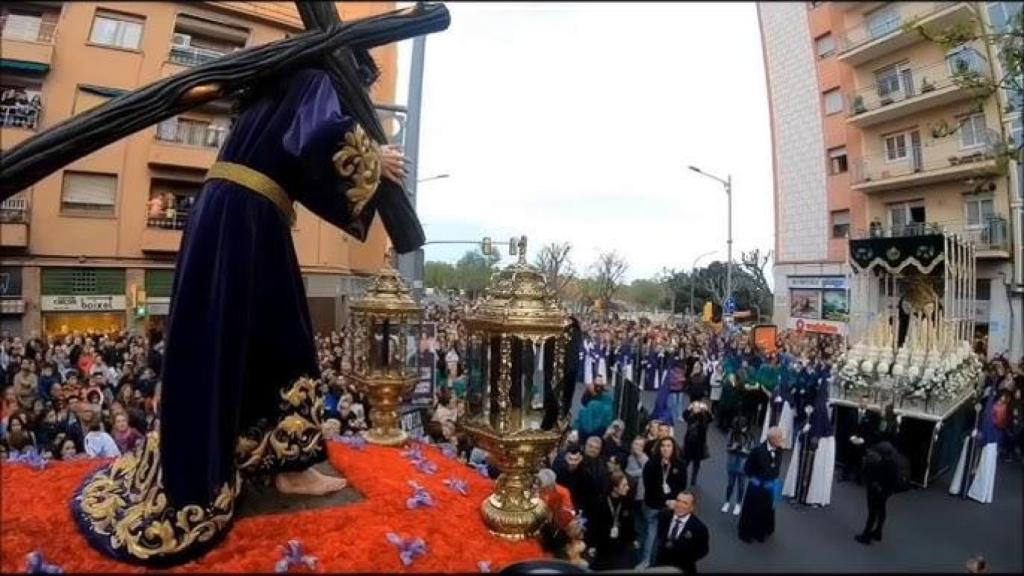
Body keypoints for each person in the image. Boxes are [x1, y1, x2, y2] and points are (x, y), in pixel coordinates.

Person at [70, 62, 419, 566]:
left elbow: (292, 150)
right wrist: (372, 158)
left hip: (223, 212)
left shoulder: (270, 91)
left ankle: (254, 455)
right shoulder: (317, 77)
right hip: (250, 217)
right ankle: (291, 468)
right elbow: (317, 138)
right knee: (288, 339)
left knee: (233, 339)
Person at [639, 436, 687, 568]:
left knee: (667, 537)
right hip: (653, 505)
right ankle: (645, 561)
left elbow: (681, 486)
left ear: (673, 448)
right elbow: (650, 487)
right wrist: (666, 501)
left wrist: (673, 500)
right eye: (663, 446)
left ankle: (661, 563)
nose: (666, 449)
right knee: (650, 534)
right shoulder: (651, 464)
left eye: (669, 446)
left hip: (671, 507)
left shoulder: (680, 465)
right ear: (659, 448)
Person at [738, 426, 785, 544]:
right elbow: (747, 468)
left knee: (766, 510)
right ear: (772, 439)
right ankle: (747, 534)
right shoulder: (757, 451)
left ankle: (760, 532)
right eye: (779, 437)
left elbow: (776, 466)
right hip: (757, 486)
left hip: (770, 485)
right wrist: (755, 480)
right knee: (752, 510)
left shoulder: (779, 450)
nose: (781, 439)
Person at [589, 471, 639, 570]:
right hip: (604, 547)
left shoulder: (627, 501)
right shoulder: (600, 502)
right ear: (615, 488)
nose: (628, 488)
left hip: (622, 546)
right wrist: (592, 544)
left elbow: (630, 524)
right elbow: (594, 525)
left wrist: (633, 539)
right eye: (624, 485)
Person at [653, 491, 709, 576]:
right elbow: (660, 535)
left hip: (683, 568)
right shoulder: (664, 515)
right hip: (661, 564)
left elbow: (703, 551)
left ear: (692, 508)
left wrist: (685, 557)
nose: (680, 505)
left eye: (685, 503)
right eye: (678, 501)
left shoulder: (699, 528)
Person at [855, 440, 900, 545]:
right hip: (886, 490)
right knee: (881, 509)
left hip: (875, 489)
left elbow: (867, 474)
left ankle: (866, 536)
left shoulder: (876, 463)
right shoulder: (893, 463)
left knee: (872, 511)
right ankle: (878, 531)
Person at [723, 416, 754, 515]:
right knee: (730, 485)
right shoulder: (732, 434)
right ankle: (727, 502)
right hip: (732, 463)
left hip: (743, 464)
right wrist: (732, 447)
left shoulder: (750, 436)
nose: (742, 429)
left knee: (741, 486)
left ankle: (738, 504)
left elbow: (752, 451)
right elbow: (727, 447)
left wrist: (746, 451)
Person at [681, 400, 712, 486]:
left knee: (695, 463)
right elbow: (684, 416)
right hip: (690, 443)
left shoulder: (703, 417)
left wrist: (706, 410)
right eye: (695, 407)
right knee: (687, 462)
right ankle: (685, 477)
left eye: (697, 407)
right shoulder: (691, 416)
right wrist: (689, 408)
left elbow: (710, 419)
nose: (696, 408)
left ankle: (693, 479)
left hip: (698, 444)